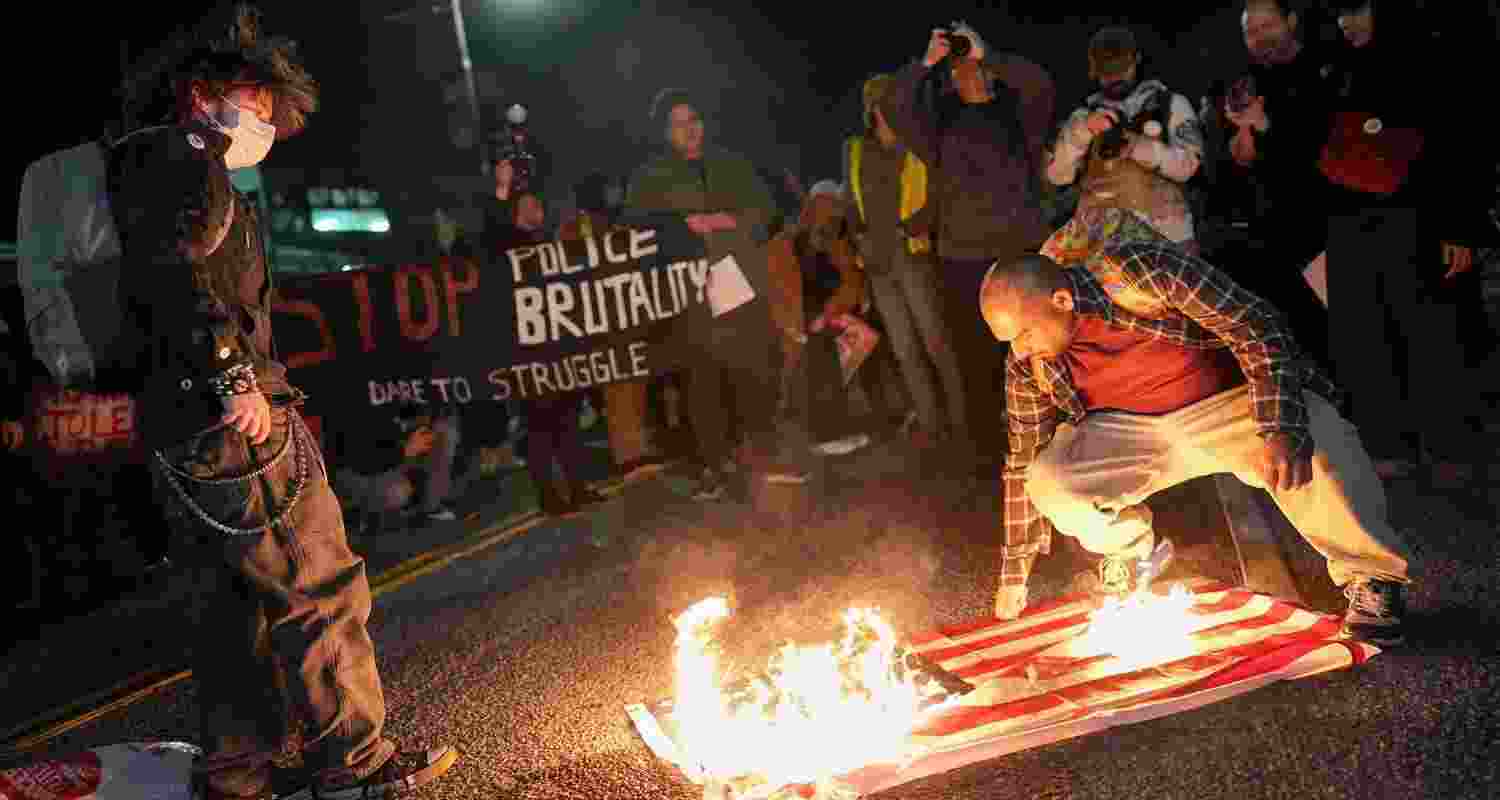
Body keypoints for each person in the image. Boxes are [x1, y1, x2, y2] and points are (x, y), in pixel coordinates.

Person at [110, 7, 457, 798]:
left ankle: (241, 777)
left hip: (180, 424)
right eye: (253, 105)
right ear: (201, 96)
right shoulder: (186, 157)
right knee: (317, 586)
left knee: (228, 611)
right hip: (235, 420)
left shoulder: (137, 162)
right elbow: (179, 277)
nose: (263, 122)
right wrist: (233, 372)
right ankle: (357, 770)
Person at [984, 207, 1413, 647]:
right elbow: (1022, 460)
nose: (1019, 351)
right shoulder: (1028, 367)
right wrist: (1014, 575)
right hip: (1132, 434)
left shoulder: (1136, 272)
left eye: (1024, 333)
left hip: (1226, 405)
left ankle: (1371, 579)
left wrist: (1280, 424)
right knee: (1048, 478)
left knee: (1316, 433)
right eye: (1010, 342)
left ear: (1061, 300)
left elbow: (1252, 321)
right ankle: (1127, 554)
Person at [1312, 0, 1494, 484]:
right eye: (1340, 16)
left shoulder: (1429, 60)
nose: (1347, 25)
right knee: (1364, 336)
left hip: (1418, 222)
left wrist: (1461, 227)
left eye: (1356, 12)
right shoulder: (1333, 67)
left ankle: (1447, 443)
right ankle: (1385, 442)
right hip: (1351, 222)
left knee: (1429, 333)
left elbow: (1462, 144)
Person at [878, 22, 1056, 471]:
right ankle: (985, 459)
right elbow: (893, 106)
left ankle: (1047, 447)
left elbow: (1041, 83)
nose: (964, 72)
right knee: (974, 362)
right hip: (963, 262)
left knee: (1037, 354)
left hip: (1021, 258)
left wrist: (988, 52)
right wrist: (925, 63)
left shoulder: (1020, 116)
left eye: (969, 64)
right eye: (957, 67)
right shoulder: (939, 125)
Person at [625, 87, 805, 501]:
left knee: (751, 369)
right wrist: (684, 225)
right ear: (665, 132)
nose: (689, 131)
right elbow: (635, 228)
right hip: (687, 283)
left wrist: (730, 220)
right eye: (678, 124)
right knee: (701, 377)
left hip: (734, 276)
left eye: (694, 121)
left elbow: (766, 214)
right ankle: (713, 465)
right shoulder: (651, 176)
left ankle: (758, 457)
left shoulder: (732, 164)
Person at [841, 74, 966, 454]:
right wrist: (858, 239)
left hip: (914, 255)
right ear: (873, 108)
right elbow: (850, 199)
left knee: (936, 342)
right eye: (885, 102)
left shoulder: (919, 146)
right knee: (903, 348)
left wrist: (911, 226)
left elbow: (941, 197)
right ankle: (931, 423)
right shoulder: (855, 148)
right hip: (879, 261)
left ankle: (962, 421)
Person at [1046, 26, 1205, 253]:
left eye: (1121, 68)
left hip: (1167, 239)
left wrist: (1138, 147)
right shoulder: (1083, 116)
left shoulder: (1172, 104)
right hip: (1101, 245)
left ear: (1137, 59)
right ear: (1094, 70)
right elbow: (1057, 176)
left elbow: (1190, 168)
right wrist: (1083, 132)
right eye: (1106, 71)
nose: (1115, 77)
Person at [331, 401, 463, 533]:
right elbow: (362, 459)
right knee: (398, 491)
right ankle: (365, 512)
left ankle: (432, 504)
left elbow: (407, 419)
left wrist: (424, 422)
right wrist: (405, 451)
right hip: (357, 470)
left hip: (392, 456)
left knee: (445, 431)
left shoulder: (398, 392)